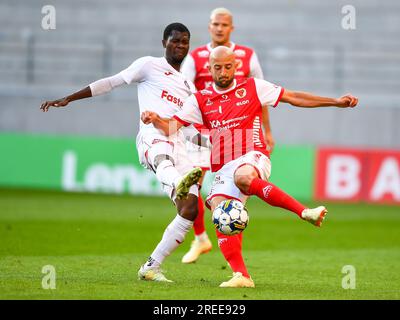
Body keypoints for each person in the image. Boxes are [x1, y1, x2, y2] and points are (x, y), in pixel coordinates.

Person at [141, 46, 358, 287]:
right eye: (217, 67)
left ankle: (305, 212)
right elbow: (173, 127)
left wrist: (335, 102)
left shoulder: (253, 86)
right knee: (220, 212)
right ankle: (241, 276)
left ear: (235, 66)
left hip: (251, 154)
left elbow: (293, 97)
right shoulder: (200, 99)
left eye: (227, 67)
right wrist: (156, 119)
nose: (223, 72)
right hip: (222, 165)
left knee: (243, 177)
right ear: (209, 68)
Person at [40, 23, 204, 283]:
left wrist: (213, 150)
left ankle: (151, 267)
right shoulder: (149, 65)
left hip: (178, 143)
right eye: (175, 41)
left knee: (190, 208)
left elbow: (189, 129)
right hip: (152, 136)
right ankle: (177, 181)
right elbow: (111, 83)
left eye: (185, 41)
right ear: (164, 43)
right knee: (164, 157)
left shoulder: (188, 86)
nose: (180, 46)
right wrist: (70, 98)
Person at [180, 7, 275, 264]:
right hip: (204, 130)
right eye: (215, 24)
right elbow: (183, 89)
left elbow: (263, 96)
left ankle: (235, 264)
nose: (219, 28)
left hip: (239, 133)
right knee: (191, 186)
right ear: (209, 26)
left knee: (229, 194)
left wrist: (267, 130)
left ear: (231, 27)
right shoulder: (196, 57)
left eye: (224, 24)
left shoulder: (247, 56)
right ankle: (201, 238)